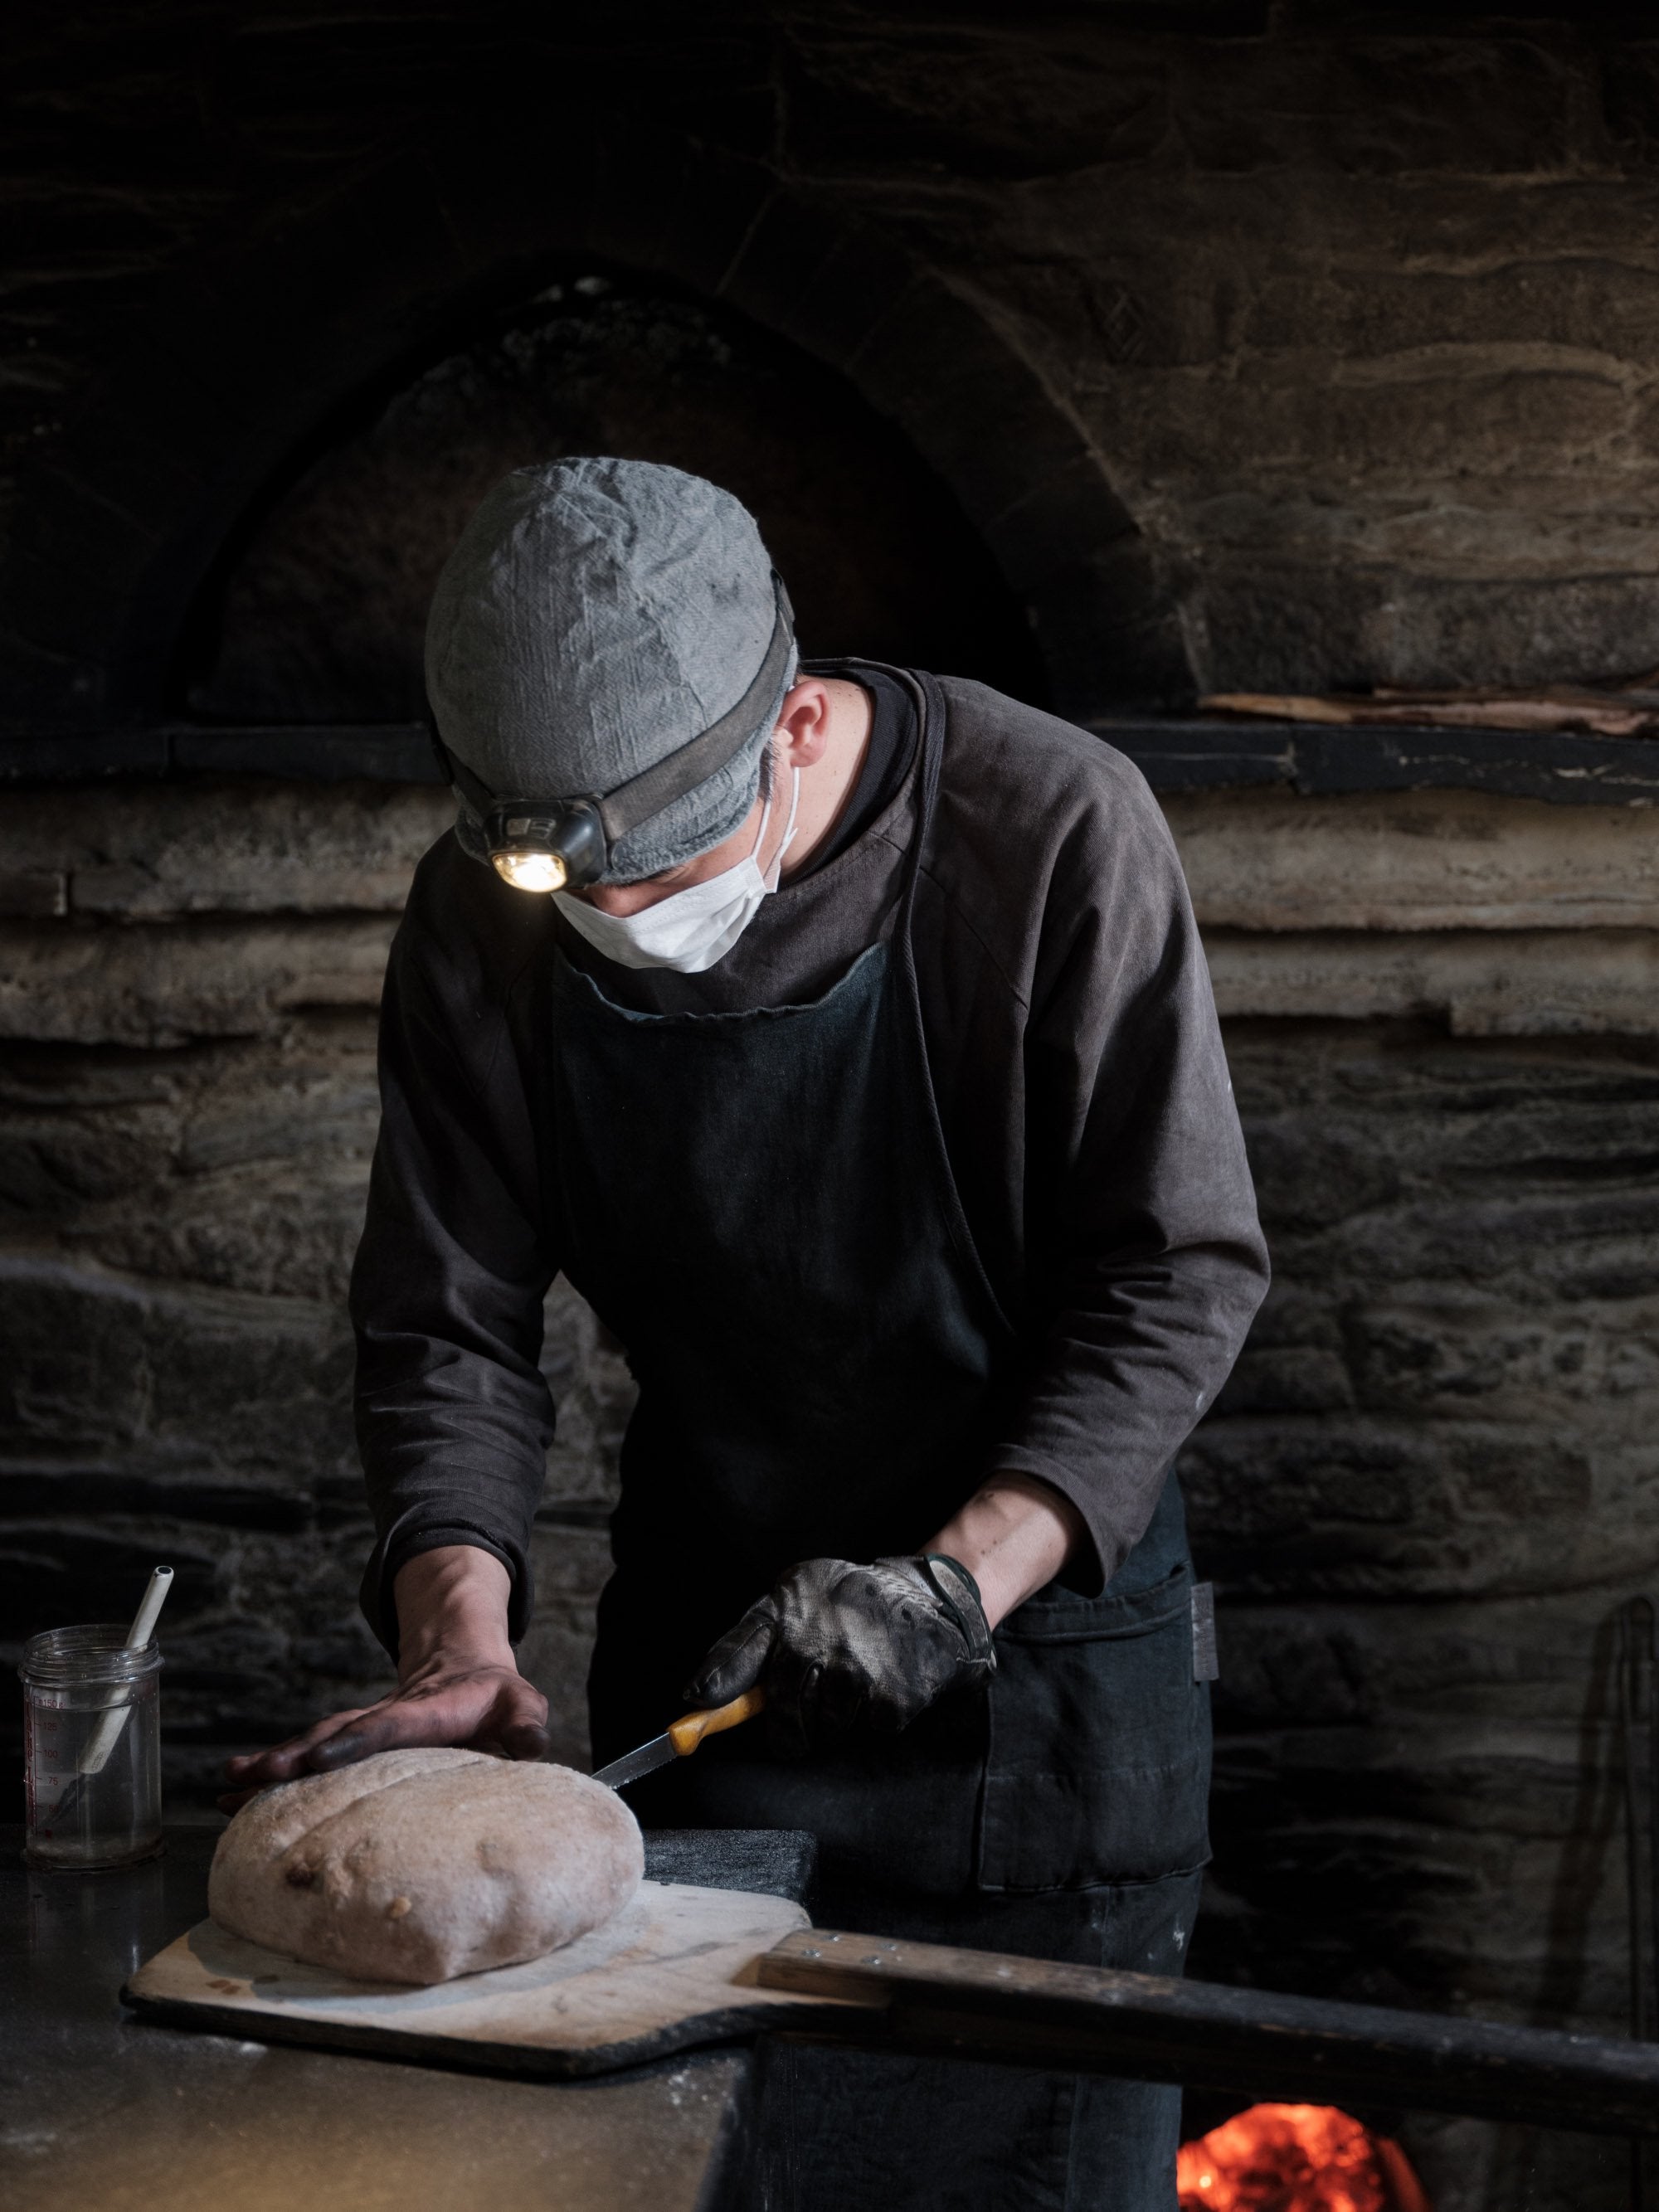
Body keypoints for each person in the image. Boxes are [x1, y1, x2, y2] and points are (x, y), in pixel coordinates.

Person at [226, 456, 1269, 2210]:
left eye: (672, 872)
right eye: (584, 896)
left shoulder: (1051, 834)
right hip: (710, 1679)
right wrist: (452, 1631)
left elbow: (1173, 1272)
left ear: (793, 721)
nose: (629, 925)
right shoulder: (484, 919)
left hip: (1042, 1711)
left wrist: (952, 1581)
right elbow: (451, 1317)